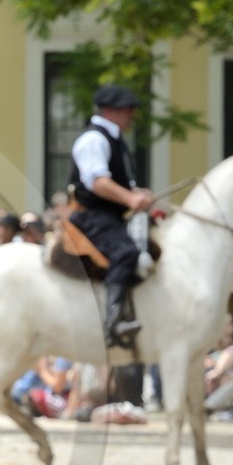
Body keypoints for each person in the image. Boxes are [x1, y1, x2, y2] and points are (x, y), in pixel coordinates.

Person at [69, 83, 152, 347]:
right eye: (128, 109)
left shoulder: (111, 138)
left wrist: (135, 193)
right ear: (111, 111)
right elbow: (98, 183)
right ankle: (112, 323)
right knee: (126, 252)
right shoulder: (94, 139)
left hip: (108, 214)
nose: (132, 115)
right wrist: (130, 198)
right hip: (91, 214)